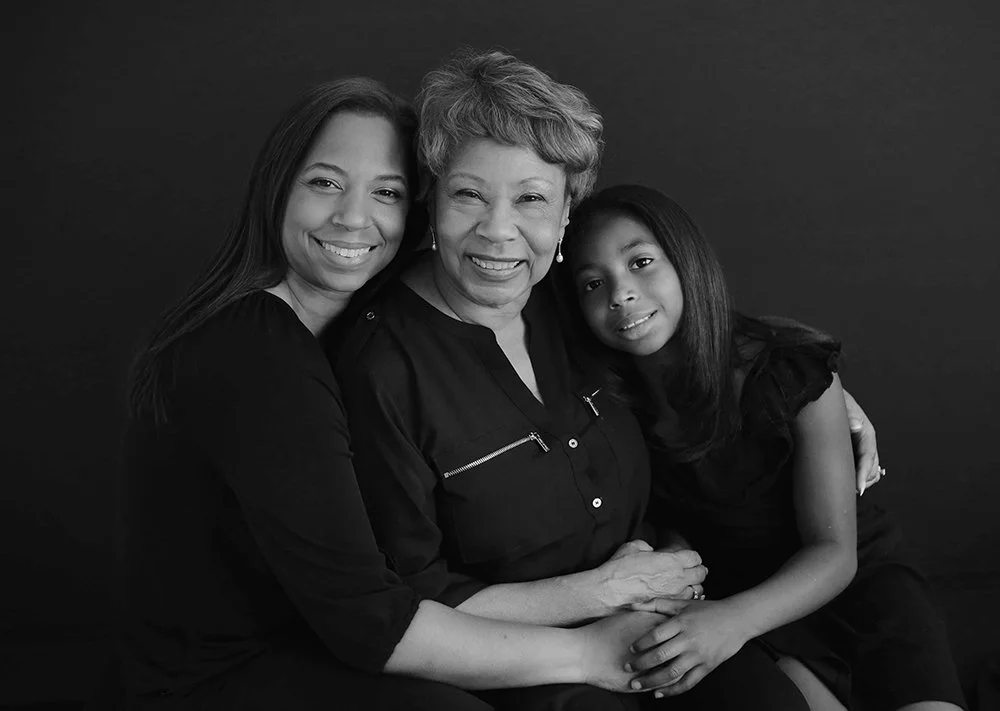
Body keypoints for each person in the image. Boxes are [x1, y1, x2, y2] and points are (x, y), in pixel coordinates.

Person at [334, 49, 883, 710]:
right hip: (528, 666)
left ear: (566, 215)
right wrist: (600, 592)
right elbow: (415, 595)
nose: (499, 230)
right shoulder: (382, 364)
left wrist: (821, 394)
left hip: (665, 613)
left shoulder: (570, 298)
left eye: (531, 199)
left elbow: (689, 331)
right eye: (469, 195)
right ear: (432, 199)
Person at [117, 77, 660, 711]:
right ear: (277, 187)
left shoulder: (350, 315)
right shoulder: (259, 354)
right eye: (324, 182)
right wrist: (591, 650)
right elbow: (370, 618)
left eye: (387, 192)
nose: (354, 217)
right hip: (217, 676)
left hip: (317, 642)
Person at [559, 184, 967, 710]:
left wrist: (733, 621)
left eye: (640, 262)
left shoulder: (784, 370)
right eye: (593, 283)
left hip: (850, 589)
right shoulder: (607, 406)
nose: (620, 293)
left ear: (686, 262)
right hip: (744, 608)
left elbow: (835, 554)